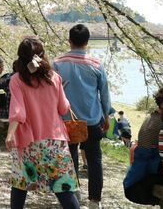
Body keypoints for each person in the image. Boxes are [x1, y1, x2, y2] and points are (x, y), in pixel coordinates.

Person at [5, 36, 80, 209]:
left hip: (28, 143)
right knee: (63, 188)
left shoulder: (17, 80)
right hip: (54, 141)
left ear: (20, 58)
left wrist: (10, 134)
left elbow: (18, 112)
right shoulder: (54, 77)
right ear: (42, 55)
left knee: (20, 185)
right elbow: (63, 109)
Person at [53, 24, 114, 207]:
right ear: (87, 42)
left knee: (69, 158)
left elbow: (51, 93)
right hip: (92, 119)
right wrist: (107, 114)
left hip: (66, 121)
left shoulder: (57, 63)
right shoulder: (96, 64)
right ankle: (94, 200)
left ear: (69, 40)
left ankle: (73, 195)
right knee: (95, 160)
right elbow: (104, 93)